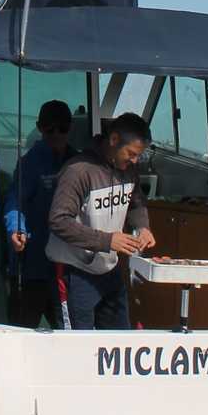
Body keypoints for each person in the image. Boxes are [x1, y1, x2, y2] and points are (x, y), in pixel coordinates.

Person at [46, 112, 156, 330]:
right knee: (78, 344)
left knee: (120, 339)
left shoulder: (129, 170)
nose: (134, 161)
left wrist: (143, 227)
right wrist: (107, 241)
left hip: (109, 270)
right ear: (114, 140)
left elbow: (136, 202)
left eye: (139, 156)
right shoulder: (78, 171)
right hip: (74, 272)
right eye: (131, 154)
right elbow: (58, 220)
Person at [5, 100, 74, 328]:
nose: (56, 134)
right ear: (39, 127)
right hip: (32, 267)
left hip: (67, 269)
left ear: (71, 128)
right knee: (21, 330)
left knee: (67, 332)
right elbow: (15, 201)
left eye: (62, 128)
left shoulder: (78, 161)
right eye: (49, 128)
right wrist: (16, 228)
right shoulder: (29, 163)